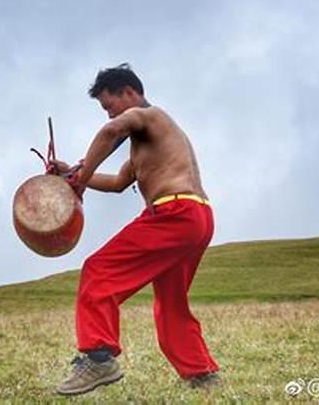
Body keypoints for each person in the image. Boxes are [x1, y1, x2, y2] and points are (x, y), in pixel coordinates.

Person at [50, 63, 220, 396]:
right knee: (171, 303)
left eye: (108, 106)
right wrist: (72, 175)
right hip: (196, 217)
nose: (108, 116)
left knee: (99, 270)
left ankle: (99, 358)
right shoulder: (149, 142)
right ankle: (202, 374)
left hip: (174, 212)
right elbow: (116, 183)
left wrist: (81, 180)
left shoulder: (149, 115)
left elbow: (109, 132)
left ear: (129, 92)